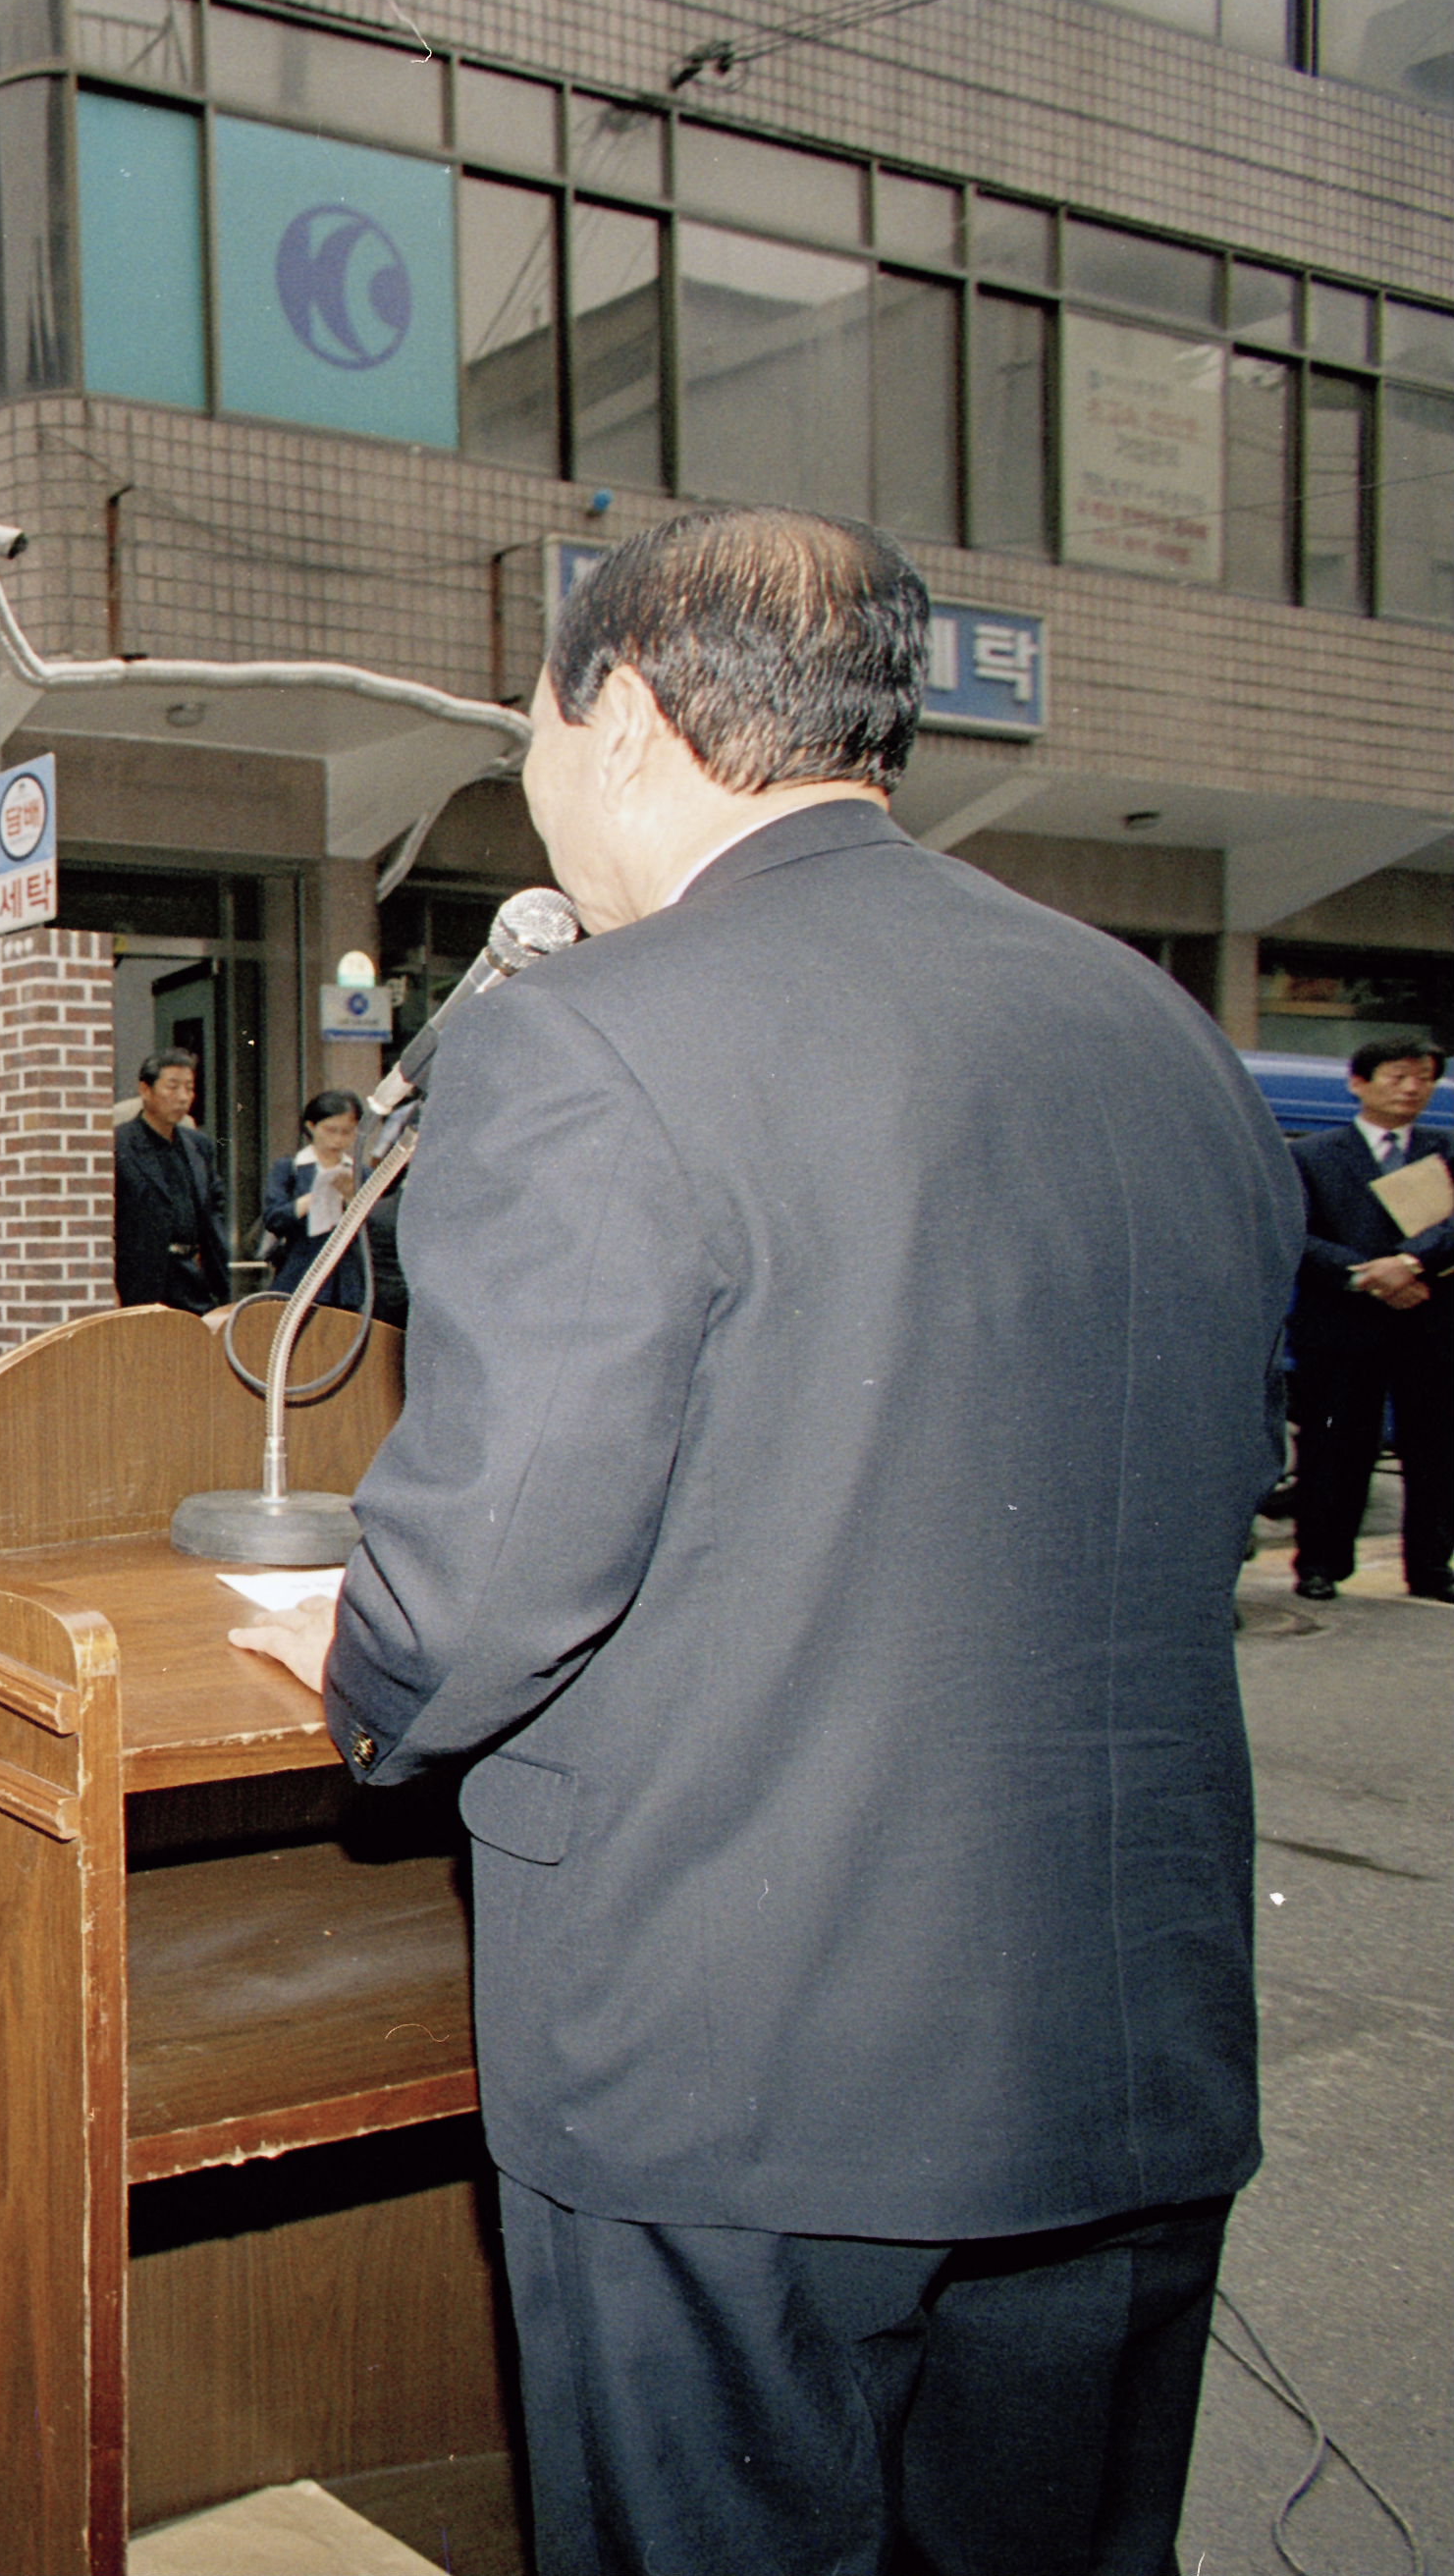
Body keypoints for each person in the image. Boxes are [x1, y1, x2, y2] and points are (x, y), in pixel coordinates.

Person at [244, 506, 1297, 2572]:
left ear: (622, 715)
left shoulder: (589, 1035)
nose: (528, 790)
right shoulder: (1155, 1036)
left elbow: (487, 1580)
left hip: (739, 2072)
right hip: (1121, 2050)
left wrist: (356, 1666)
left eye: (525, 738)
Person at [1285, 1031, 1450, 1601]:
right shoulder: (1310, 1155)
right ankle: (1321, 1565)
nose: (1412, 1088)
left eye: (1424, 1077)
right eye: (1398, 1075)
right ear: (1359, 1082)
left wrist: (1409, 1263)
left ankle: (1430, 1569)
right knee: (1334, 1450)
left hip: (1431, 1325)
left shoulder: (1445, 1150)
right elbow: (1296, 1237)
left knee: (1434, 1452)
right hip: (1340, 1327)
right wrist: (1368, 1276)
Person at [113, 1050, 229, 1313]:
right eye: (172, 1087)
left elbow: (214, 1208)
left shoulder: (198, 1145)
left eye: (189, 1088)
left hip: (193, 1274)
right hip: (142, 1278)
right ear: (145, 1089)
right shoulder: (120, 1145)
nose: (183, 1097)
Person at [260, 1091, 374, 1311]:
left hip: (346, 1282)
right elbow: (274, 1218)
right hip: (299, 1274)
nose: (338, 1139)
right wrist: (312, 1199)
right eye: (330, 1130)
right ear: (311, 1127)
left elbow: (373, 1231)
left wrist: (351, 1199)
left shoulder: (360, 1173)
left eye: (346, 1132)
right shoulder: (290, 1168)